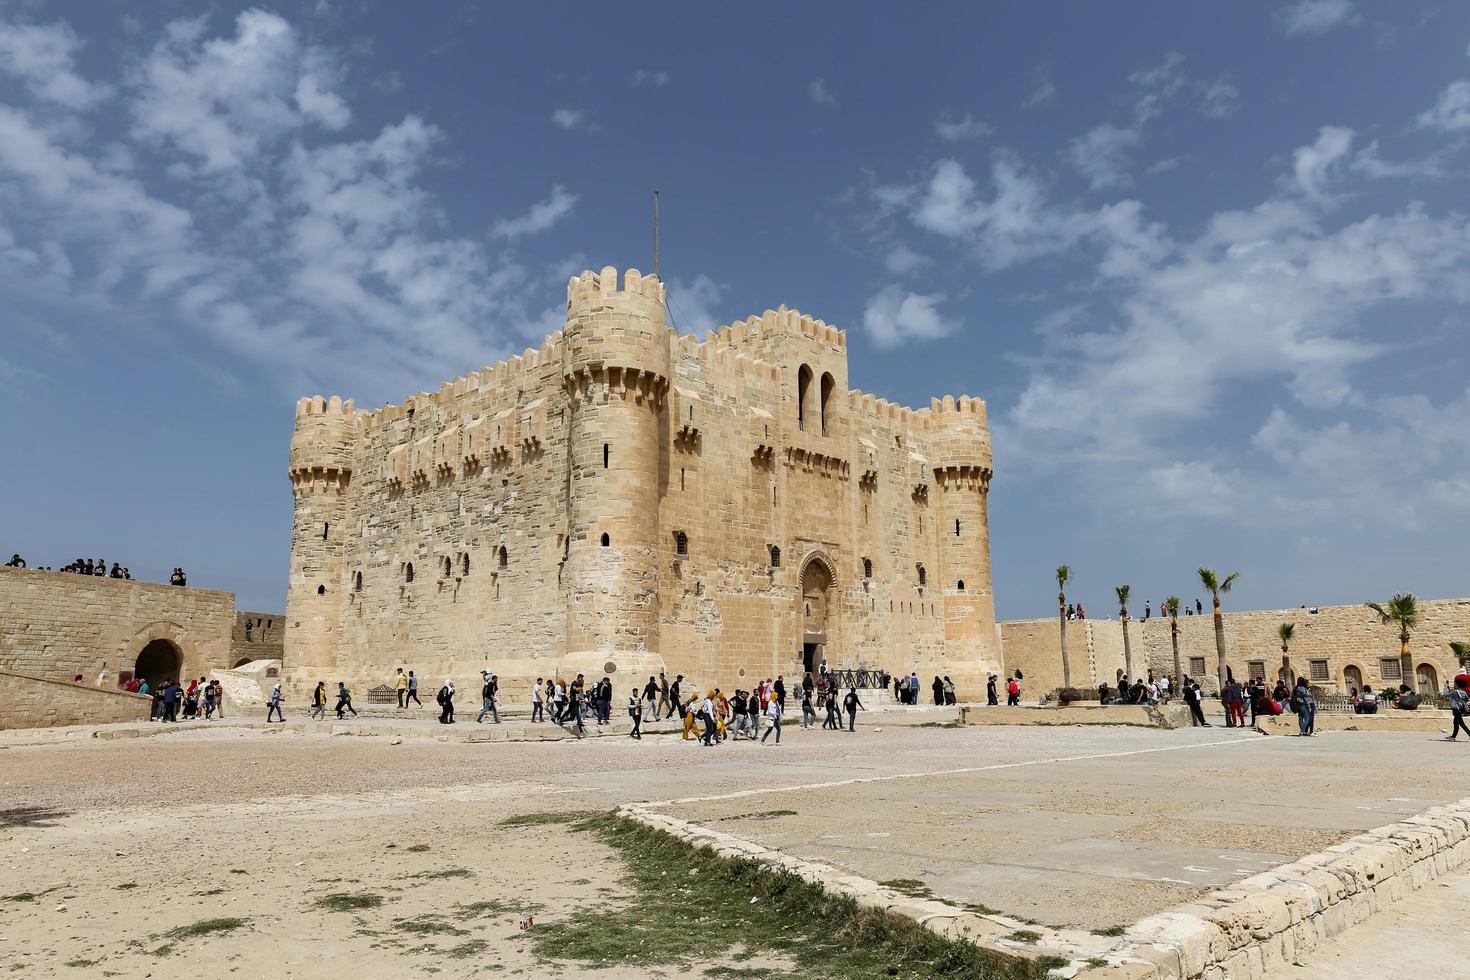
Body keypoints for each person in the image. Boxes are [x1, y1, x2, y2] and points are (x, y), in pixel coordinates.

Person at [1446, 677, 1470, 742]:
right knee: (1455, 722)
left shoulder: (1455, 692)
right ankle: (1453, 737)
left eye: (1455, 684)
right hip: (1461, 708)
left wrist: (1446, 687)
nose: (1454, 685)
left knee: (1461, 723)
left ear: (1457, 685)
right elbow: (1467, 700)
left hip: (1455, 708)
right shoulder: (1464, 692)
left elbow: (1445, 694)